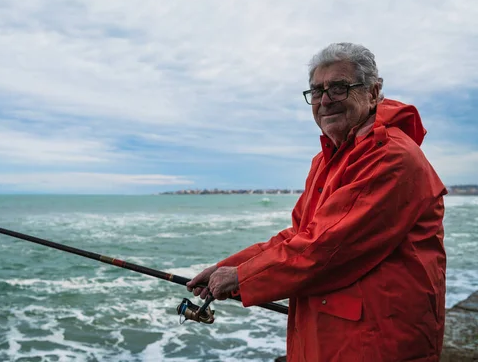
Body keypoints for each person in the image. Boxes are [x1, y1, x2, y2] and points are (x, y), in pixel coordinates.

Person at [187, 42, 447, 362]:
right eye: (317, 91)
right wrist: (232, 266)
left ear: (374, 92)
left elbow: (325, 248)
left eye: (339, 88)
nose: (325, 100)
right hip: (334, 336)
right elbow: (299, 235)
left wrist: (243, 278)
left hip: (376, 342)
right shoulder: (327, 160)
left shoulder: (391, 156)